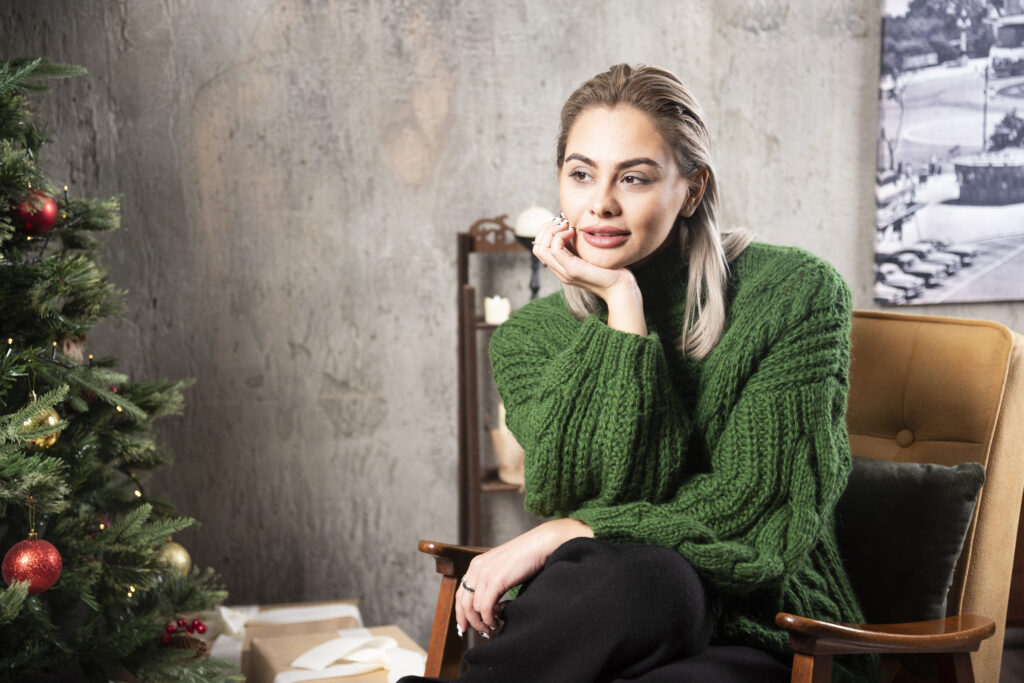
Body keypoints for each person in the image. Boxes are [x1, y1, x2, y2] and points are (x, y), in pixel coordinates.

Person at [401, 63, 876, 683]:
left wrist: (571, 530)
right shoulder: (527, 341)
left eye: (634, 177)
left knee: (659, 577)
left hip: (774, 629)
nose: (600, 203)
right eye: (580, 174)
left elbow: (760, 509)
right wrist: (622, 306)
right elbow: (598, 495)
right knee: (645, 577)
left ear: (693, 190)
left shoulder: (796, 294)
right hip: (612, 623)